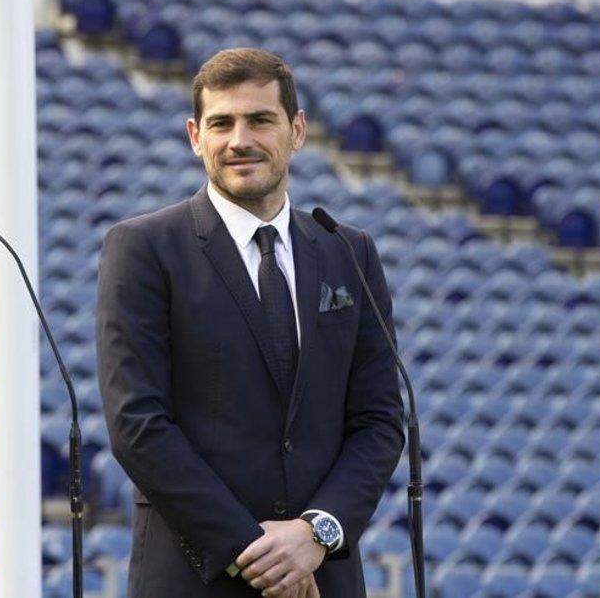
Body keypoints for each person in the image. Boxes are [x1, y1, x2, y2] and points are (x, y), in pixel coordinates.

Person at [96, 49, 405, 597]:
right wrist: (259, 554)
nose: (240, 140)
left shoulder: (348, 251)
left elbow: (379, 421)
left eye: (260, 120)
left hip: (323, 577)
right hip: (197, 577)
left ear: (298, 130)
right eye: (221, 123)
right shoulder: (144, 248)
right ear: (196, 136)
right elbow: (138, 425)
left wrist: (317, 533)